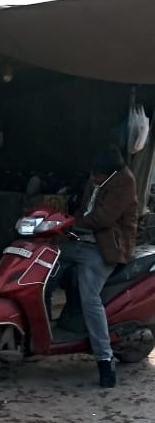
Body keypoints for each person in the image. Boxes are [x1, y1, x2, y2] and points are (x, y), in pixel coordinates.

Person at [59, 143, 138, 388]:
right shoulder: (96, 179)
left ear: (110, 173)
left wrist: (74, 222)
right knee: (46, 267)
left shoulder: (125, 183)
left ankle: (105, 360)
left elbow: (102, 218)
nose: (92, 178)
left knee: (90, 298)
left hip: (104, 247)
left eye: (97, 175)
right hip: (79, 240)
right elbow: (83, 209)